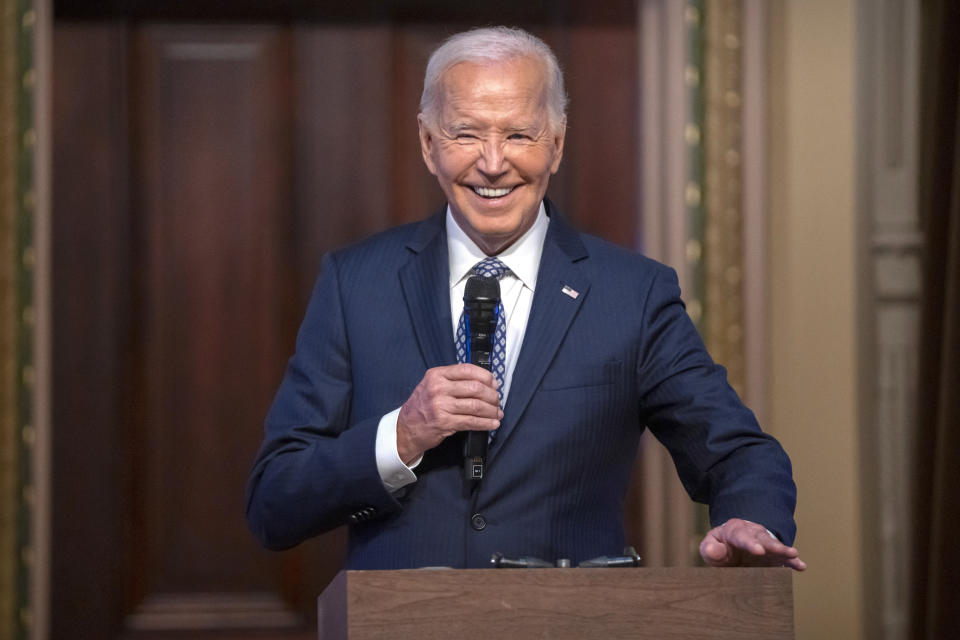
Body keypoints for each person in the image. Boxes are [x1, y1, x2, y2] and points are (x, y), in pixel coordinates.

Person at [245, 26, 805, 572]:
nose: (492, 163)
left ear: (556, 145)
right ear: (427, 143)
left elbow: (736, 451)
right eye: (466, 134)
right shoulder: (354, 282)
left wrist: (750, 520)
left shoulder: (632, 293)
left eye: (518, 135)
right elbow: (275, 502)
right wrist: (402, 434)